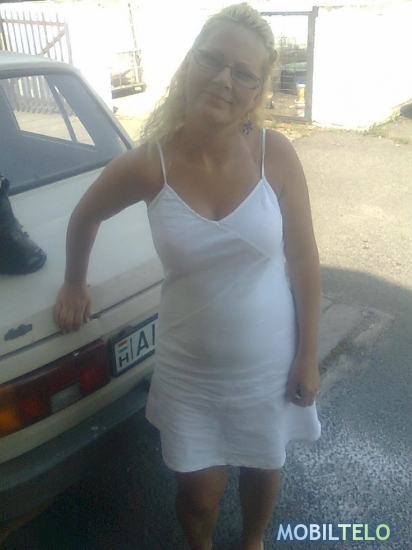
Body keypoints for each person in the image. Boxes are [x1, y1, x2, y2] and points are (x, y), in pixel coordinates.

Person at [54, 3, 321, 549]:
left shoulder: (275, 154)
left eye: (243, 72)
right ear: (190, 63)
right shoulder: (151, 164)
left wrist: (309, 354)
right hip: (190, 371)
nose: (223, 79)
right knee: (199, 496)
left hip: (269, 363)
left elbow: (303, 257)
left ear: (257, 90)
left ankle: (252, 540)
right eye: (212, 60)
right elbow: (85, 216)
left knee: (264, 465)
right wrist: (74, 282)